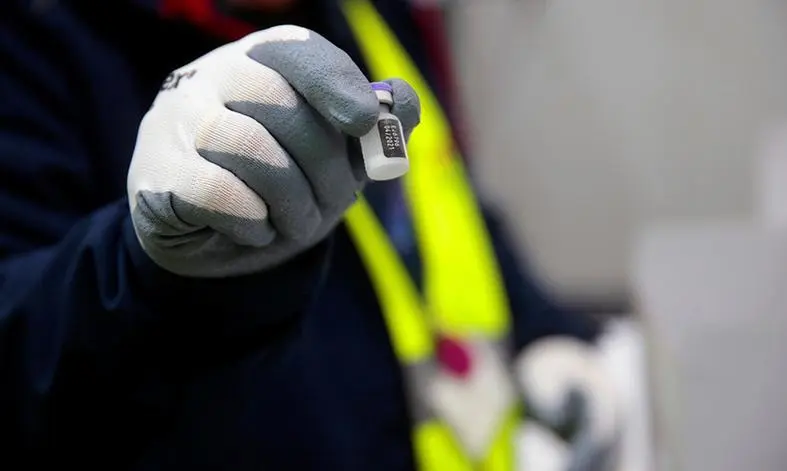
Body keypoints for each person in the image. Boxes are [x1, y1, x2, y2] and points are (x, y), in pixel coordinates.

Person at [0, 0, 619, 469]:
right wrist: (148, 268)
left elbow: (436, 201)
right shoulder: (36, 44)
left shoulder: (368, 13)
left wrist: (546, 333)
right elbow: (24, 352)